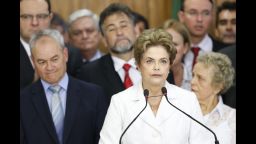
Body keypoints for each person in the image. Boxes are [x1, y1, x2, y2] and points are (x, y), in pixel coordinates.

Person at [99, 28, 212, 144]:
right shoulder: (120, 102)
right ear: (138, 65)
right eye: (149, 61)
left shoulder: (188, 100)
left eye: (163, 61)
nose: (157, 67)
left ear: (169, 65)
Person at [20, 29, 107, 144]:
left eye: (54, 59)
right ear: (33, 61)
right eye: (42, 62)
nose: (49, 67)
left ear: (65, 55)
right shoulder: (22, 100)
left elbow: (104, 139)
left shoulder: (94, 94)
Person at [76, 3, 141, 105]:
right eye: (111, 29)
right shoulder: (88, 74)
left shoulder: (157, 64)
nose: (119, 32)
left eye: (123, 25)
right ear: (104, 39)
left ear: (136, 30)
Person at [191, 52, 236, 144]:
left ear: (218, 87)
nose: (192, 82)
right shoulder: (178, 110)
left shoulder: (232, 119)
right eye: (193, 75)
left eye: (200, 78)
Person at [178, 0, 228, 75]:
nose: (199, 19)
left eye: (206, 13)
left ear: (212, 16)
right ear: (182, 16)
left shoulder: (225, 52)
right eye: (193, 13)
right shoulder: (172, 51)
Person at [20, 0, 53, 90]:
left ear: (50, 18)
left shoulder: (68, 53)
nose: (35, 23)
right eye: (26, 17)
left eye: (41, 16)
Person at [163, 19, 192, 90]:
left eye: (175, 44)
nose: (170, 48)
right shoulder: (150, 78)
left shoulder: (193, 78)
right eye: (166, 44)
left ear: (185, 47)